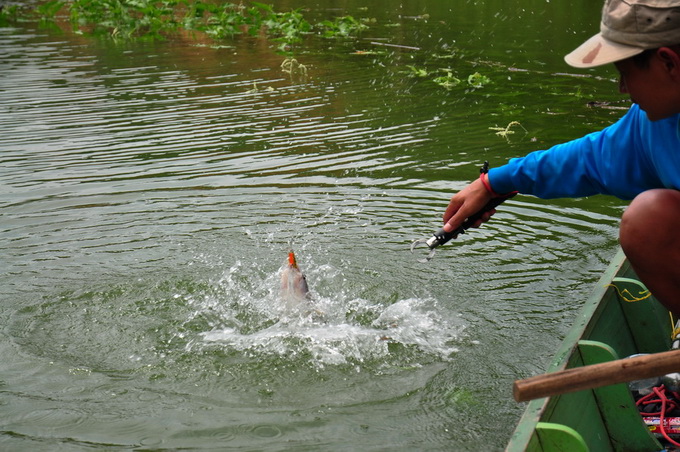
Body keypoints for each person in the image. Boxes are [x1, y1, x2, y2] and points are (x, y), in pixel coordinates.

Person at [442, 0, 680, 314]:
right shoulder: (656, 122)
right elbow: (589, 159)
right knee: (649, 219)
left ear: (668, 63)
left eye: (625, 73)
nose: (623, 89)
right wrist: (492, 184)